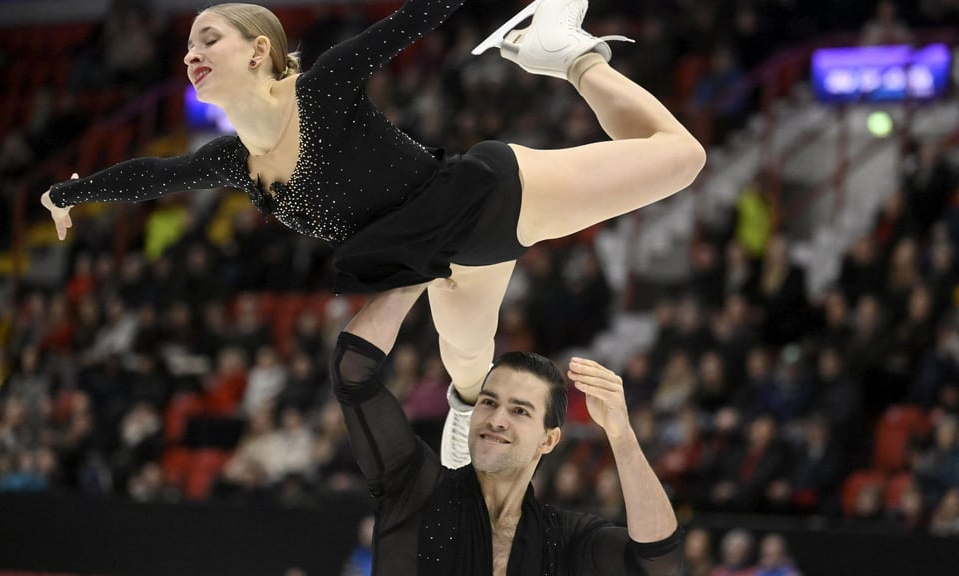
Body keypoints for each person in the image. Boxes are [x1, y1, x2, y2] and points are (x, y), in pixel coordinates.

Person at [41, 0, 706, 467]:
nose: (192, 51)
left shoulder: (322, 88)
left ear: (260, 51)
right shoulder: (232, 163)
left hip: (487, 200)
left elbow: (418, 15)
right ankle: (463, 406)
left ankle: (567, 59)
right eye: (187, 44)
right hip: (441, 257)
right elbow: (153, 175)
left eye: (209, 37)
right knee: (468, 358)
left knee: (683, 158)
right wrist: (67, 193)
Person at [328, 281, 683, 575]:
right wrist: (419, 271)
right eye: (489, 401)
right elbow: (352, 371)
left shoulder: (563, 539)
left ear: (549, 439)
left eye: (520, 411)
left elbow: (659, 560)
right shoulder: (415, 489)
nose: (497, 418)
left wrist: (621, 435)